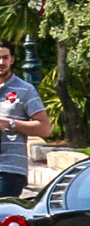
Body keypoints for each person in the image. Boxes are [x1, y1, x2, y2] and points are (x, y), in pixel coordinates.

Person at [0, 39, 50, 198]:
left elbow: (45, 128)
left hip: (9, 170)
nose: (1, 62)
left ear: (12, 59)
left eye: (5, 57)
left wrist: (10, 123)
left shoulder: (25, 90)